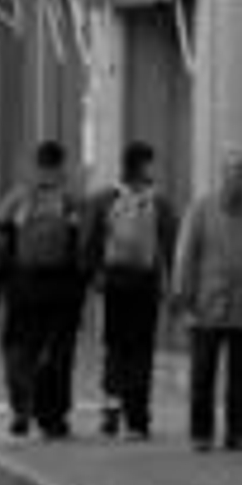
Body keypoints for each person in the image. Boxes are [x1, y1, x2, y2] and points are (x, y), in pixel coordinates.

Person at [172, 149, 242, 452]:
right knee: (203, 373)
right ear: (222, 176)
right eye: (232, 174)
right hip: (208, 304)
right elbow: (185, 255)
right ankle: (202, 433)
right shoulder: (201, 209)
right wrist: (183, 299)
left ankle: (240, 432)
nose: (237, 181)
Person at [0, 140, 90, 439]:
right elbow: (83, 245)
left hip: (24, 285)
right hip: (61, 286)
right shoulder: (71, 199)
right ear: (62, 164)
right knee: (59, 351)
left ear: (37, 163)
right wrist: (81, 284)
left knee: (18, 347)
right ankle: (53, 417)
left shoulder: (20, 195)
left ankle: (22, 408)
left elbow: (2, 240)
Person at [89, 141, 179, 439]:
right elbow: (172, 244)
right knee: (141, 349)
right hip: (144, 282)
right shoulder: (160, 202)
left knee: (115, 346)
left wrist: (96, 276)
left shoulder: (105, 198)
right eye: (151, 163)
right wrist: (172, 283)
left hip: (114, 281)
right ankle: (137, 419)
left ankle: (111, 411)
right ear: (144, 165)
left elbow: (91, 240)